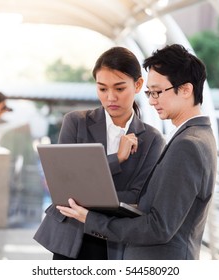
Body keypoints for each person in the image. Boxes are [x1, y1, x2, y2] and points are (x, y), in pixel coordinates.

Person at [57, 44, 218, 260]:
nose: (151, 101)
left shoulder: (187, 144)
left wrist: (91, 218)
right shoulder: (196, 137)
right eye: (150, 93)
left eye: (158, 92)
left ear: (186, 89)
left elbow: (158, 226)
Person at [33, 47, 165, 260]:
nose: (110, 97)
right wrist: (116, 159)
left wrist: (84, 199)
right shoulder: (76, 123)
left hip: (113, 241)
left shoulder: (152, 140)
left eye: (119, 88)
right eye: (102, 89)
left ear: (138, 85)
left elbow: (138, 196)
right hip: (71, 236)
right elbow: (64, 185)